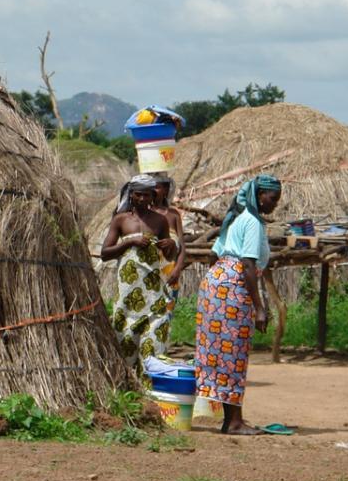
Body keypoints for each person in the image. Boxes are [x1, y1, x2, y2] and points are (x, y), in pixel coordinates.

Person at [195, 174, 283, 436]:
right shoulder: (252, 222)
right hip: (234, 286)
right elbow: (247, 265)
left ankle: (230, 420)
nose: (275, 204)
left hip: (217, 284)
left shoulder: (236, 219)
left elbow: (214, 254)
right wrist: (259, 308)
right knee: (233, 353)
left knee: (222, 354)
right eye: (272, 198)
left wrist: (218, 287)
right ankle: (234, 422)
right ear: (259, 195)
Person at [99, 173, 181, 367]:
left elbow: (168, 256)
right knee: (125, 340)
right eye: (138, 195)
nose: (142, 199)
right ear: (131, 195)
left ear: (153, 196)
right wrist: (130, 242)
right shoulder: (121, 220)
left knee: (153, 342)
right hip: (128, 293)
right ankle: (129, 387)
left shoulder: (160, 221)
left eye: (146, 195)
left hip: (152, 292)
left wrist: (171, 245)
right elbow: (105, 253)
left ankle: (150, 386)